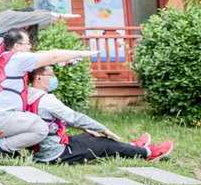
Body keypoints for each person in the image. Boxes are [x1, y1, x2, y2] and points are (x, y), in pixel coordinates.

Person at [0, 9, 80, 156]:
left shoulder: (21, 37)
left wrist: (63, 60)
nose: (28, 29)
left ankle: (0, 148)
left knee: (2, 107)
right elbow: (36, 16)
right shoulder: (4, 19)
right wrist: (61, 16)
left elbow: (34, 59)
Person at [27, 65, 174, 164]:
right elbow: (75, 118)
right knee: (104, 143)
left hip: (43, 148)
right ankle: (148, 153)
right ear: (38, 78)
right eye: (51, 74)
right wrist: (103, 128)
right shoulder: (47, 100)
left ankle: (130, 146)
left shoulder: (28, 95)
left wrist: (89, 129)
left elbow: (52, 121)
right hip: (55, 154)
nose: (54, 77)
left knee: (90, 136)